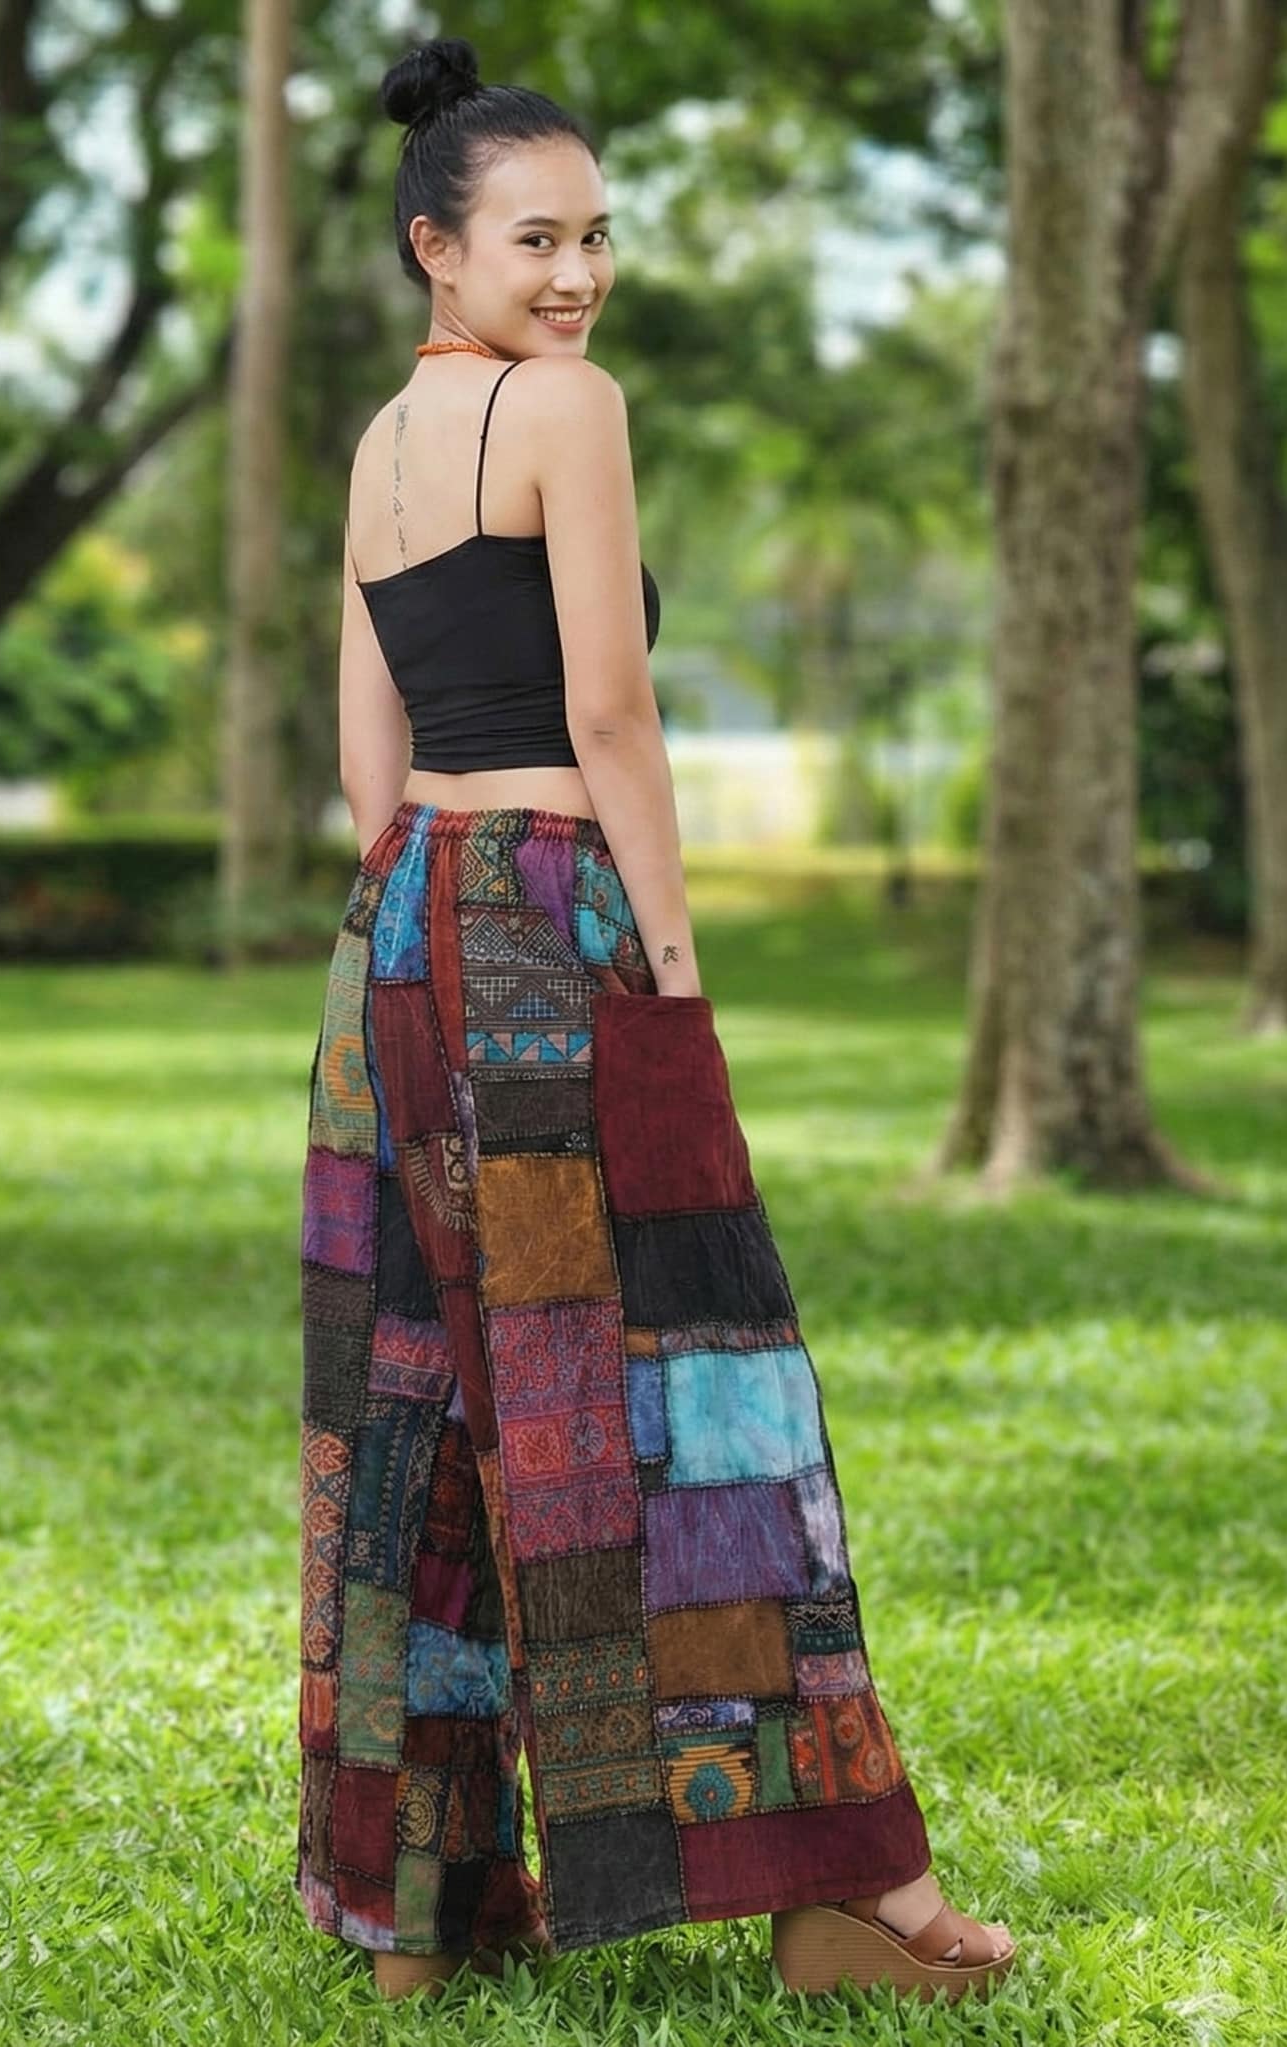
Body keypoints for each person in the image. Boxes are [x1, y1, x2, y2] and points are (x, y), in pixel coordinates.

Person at [295, 33, 1016, 2005]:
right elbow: (608, 713)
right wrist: (671, 961)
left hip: (404, 939)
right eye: (534, 238)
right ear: (434, 250)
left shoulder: (372, 451)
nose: (574, 274)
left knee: (424, 1405)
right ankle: (842, 1893)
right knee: (707, 1385)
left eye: (595, 236)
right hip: (548, 913)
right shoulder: (568, 411)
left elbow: (369, 765)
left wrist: (403, 943)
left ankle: (418, 1919)